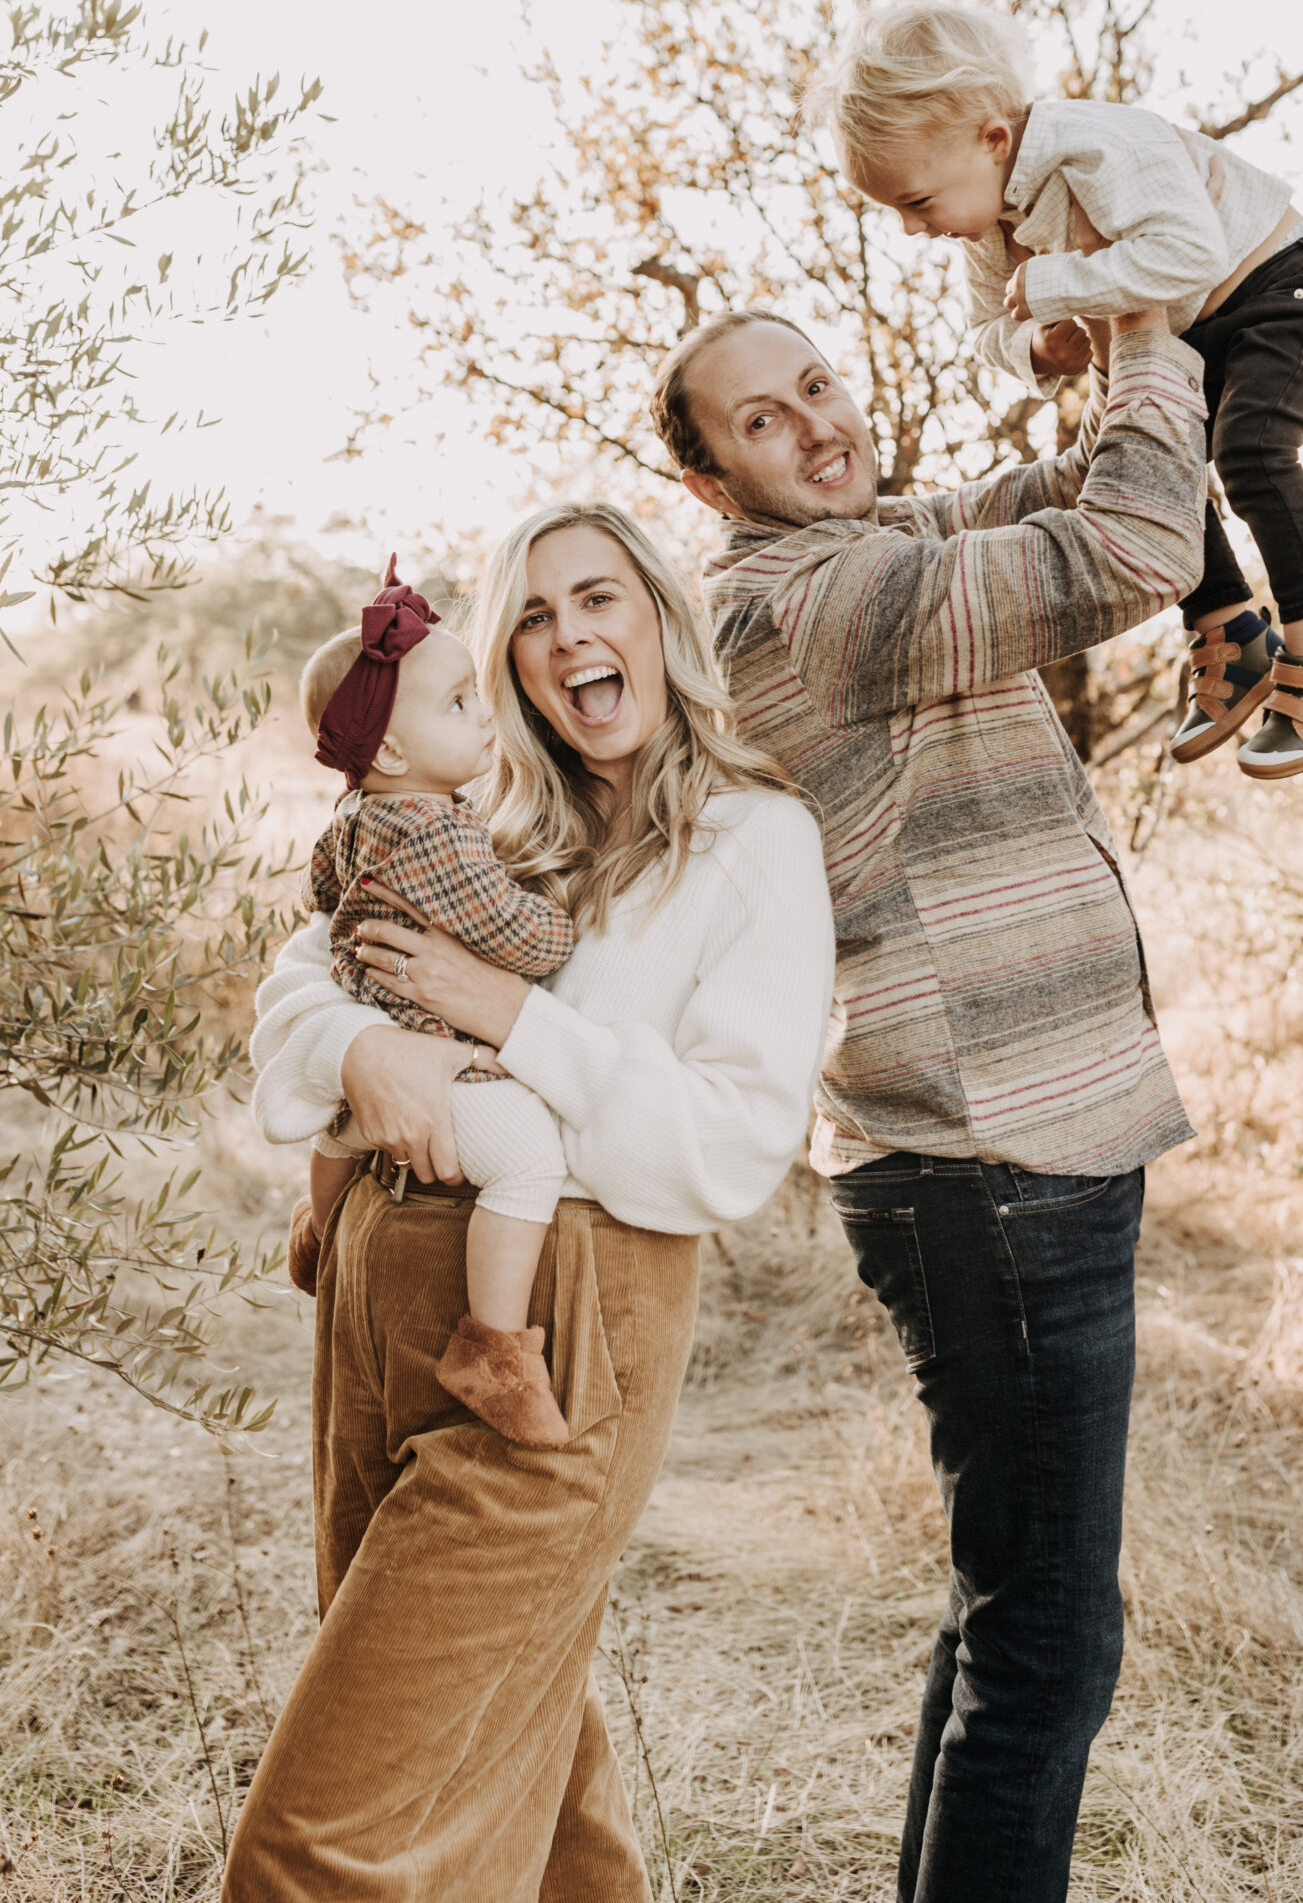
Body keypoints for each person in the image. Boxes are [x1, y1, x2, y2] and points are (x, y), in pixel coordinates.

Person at [650, 300, 1204, 1903]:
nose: (814, 421)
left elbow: (1029, 503)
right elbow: (1128, 548)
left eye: (814, 383)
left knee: (1001, 1616)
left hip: (1024, 1139)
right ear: (709, 481)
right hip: (990, 1162)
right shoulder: (813, 597)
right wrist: (1161, 339)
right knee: (1045, 1646)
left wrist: (1097, 367)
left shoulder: (873, 544)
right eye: (760, 419)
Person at [222, 502, 836, 1903]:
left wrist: (511, 1014)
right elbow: (299, 984)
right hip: (373, 1304)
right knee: (521, 1770)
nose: (570, 637)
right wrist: (364, 1048)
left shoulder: (753, 845)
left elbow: (730, 1148)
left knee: (329, 1841)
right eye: (534, 616)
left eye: (599, 598)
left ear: (661, 626)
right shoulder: (469, 811)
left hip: (554, 1334)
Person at [809, 0, 1303, 780]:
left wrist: (1058, 280)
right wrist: (1036, 347)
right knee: (1151, 460)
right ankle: (1230, 633)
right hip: (1189, 330)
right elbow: (988, 329)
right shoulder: (988, 219)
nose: (913, 228)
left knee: (1249, 452)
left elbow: (1188, 254)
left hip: (1280, 290)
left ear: (992, 140)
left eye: (916, 201)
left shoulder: (1099, 144)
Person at [266, 553, 582, 1449]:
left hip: (372, 1034)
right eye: (456, 706)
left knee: (341, 1124)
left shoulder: (356, 815)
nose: (483, 715)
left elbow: (322, 895)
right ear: (394, 750)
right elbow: (522, 941)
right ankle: (496, 1352)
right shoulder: (439, 831)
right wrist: (560, 919)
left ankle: (318, 1232)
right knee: (526, 1159)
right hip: (433, 1051)